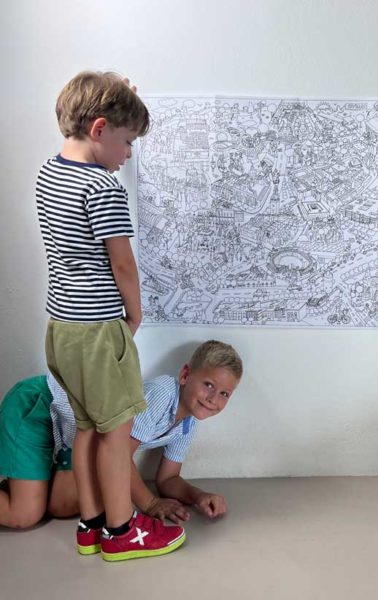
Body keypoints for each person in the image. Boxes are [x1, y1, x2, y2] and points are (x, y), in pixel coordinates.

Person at [36, 70, 184, 561]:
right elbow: (122, 262)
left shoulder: (48, 173)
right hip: (100, 330)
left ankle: (90, 524)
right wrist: (135, 315)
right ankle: (122, 531)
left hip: (62, 329)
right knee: (116, 433)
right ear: (99, 129)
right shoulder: (102, 188)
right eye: (126, 142)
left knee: (85, 428)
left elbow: (96, 121)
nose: (127, 155)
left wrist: (119, 101)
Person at [0, 340, 242, 533]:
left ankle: (29, 486)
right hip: (40, 403)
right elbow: (119, 455)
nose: (213, 399)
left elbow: (168, 480)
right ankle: (25, 491)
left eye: (224, 394)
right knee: (24, 515)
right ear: (185, 375)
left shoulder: (186, 424)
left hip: (72, 435)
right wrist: (149, 503)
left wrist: (199, 496)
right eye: (208, 385)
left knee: (60, 507)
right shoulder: (162, 394)